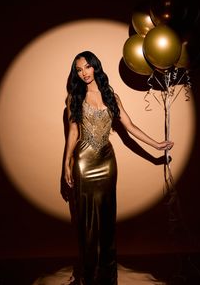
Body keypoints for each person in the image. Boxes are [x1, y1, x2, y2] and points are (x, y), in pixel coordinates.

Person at [63, 50, 174, 285]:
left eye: (86, 67)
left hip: (106, 160)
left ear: (95, 67)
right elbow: (73, 132)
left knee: (106, 215)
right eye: (78, 70)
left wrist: (156, 144)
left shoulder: (111, 95)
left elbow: (130, 126)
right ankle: (88, 270)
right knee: (86, 219)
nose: (83, 73)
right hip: (84, 161)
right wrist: (66, 163)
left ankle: (106, 270)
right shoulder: (73, 97)